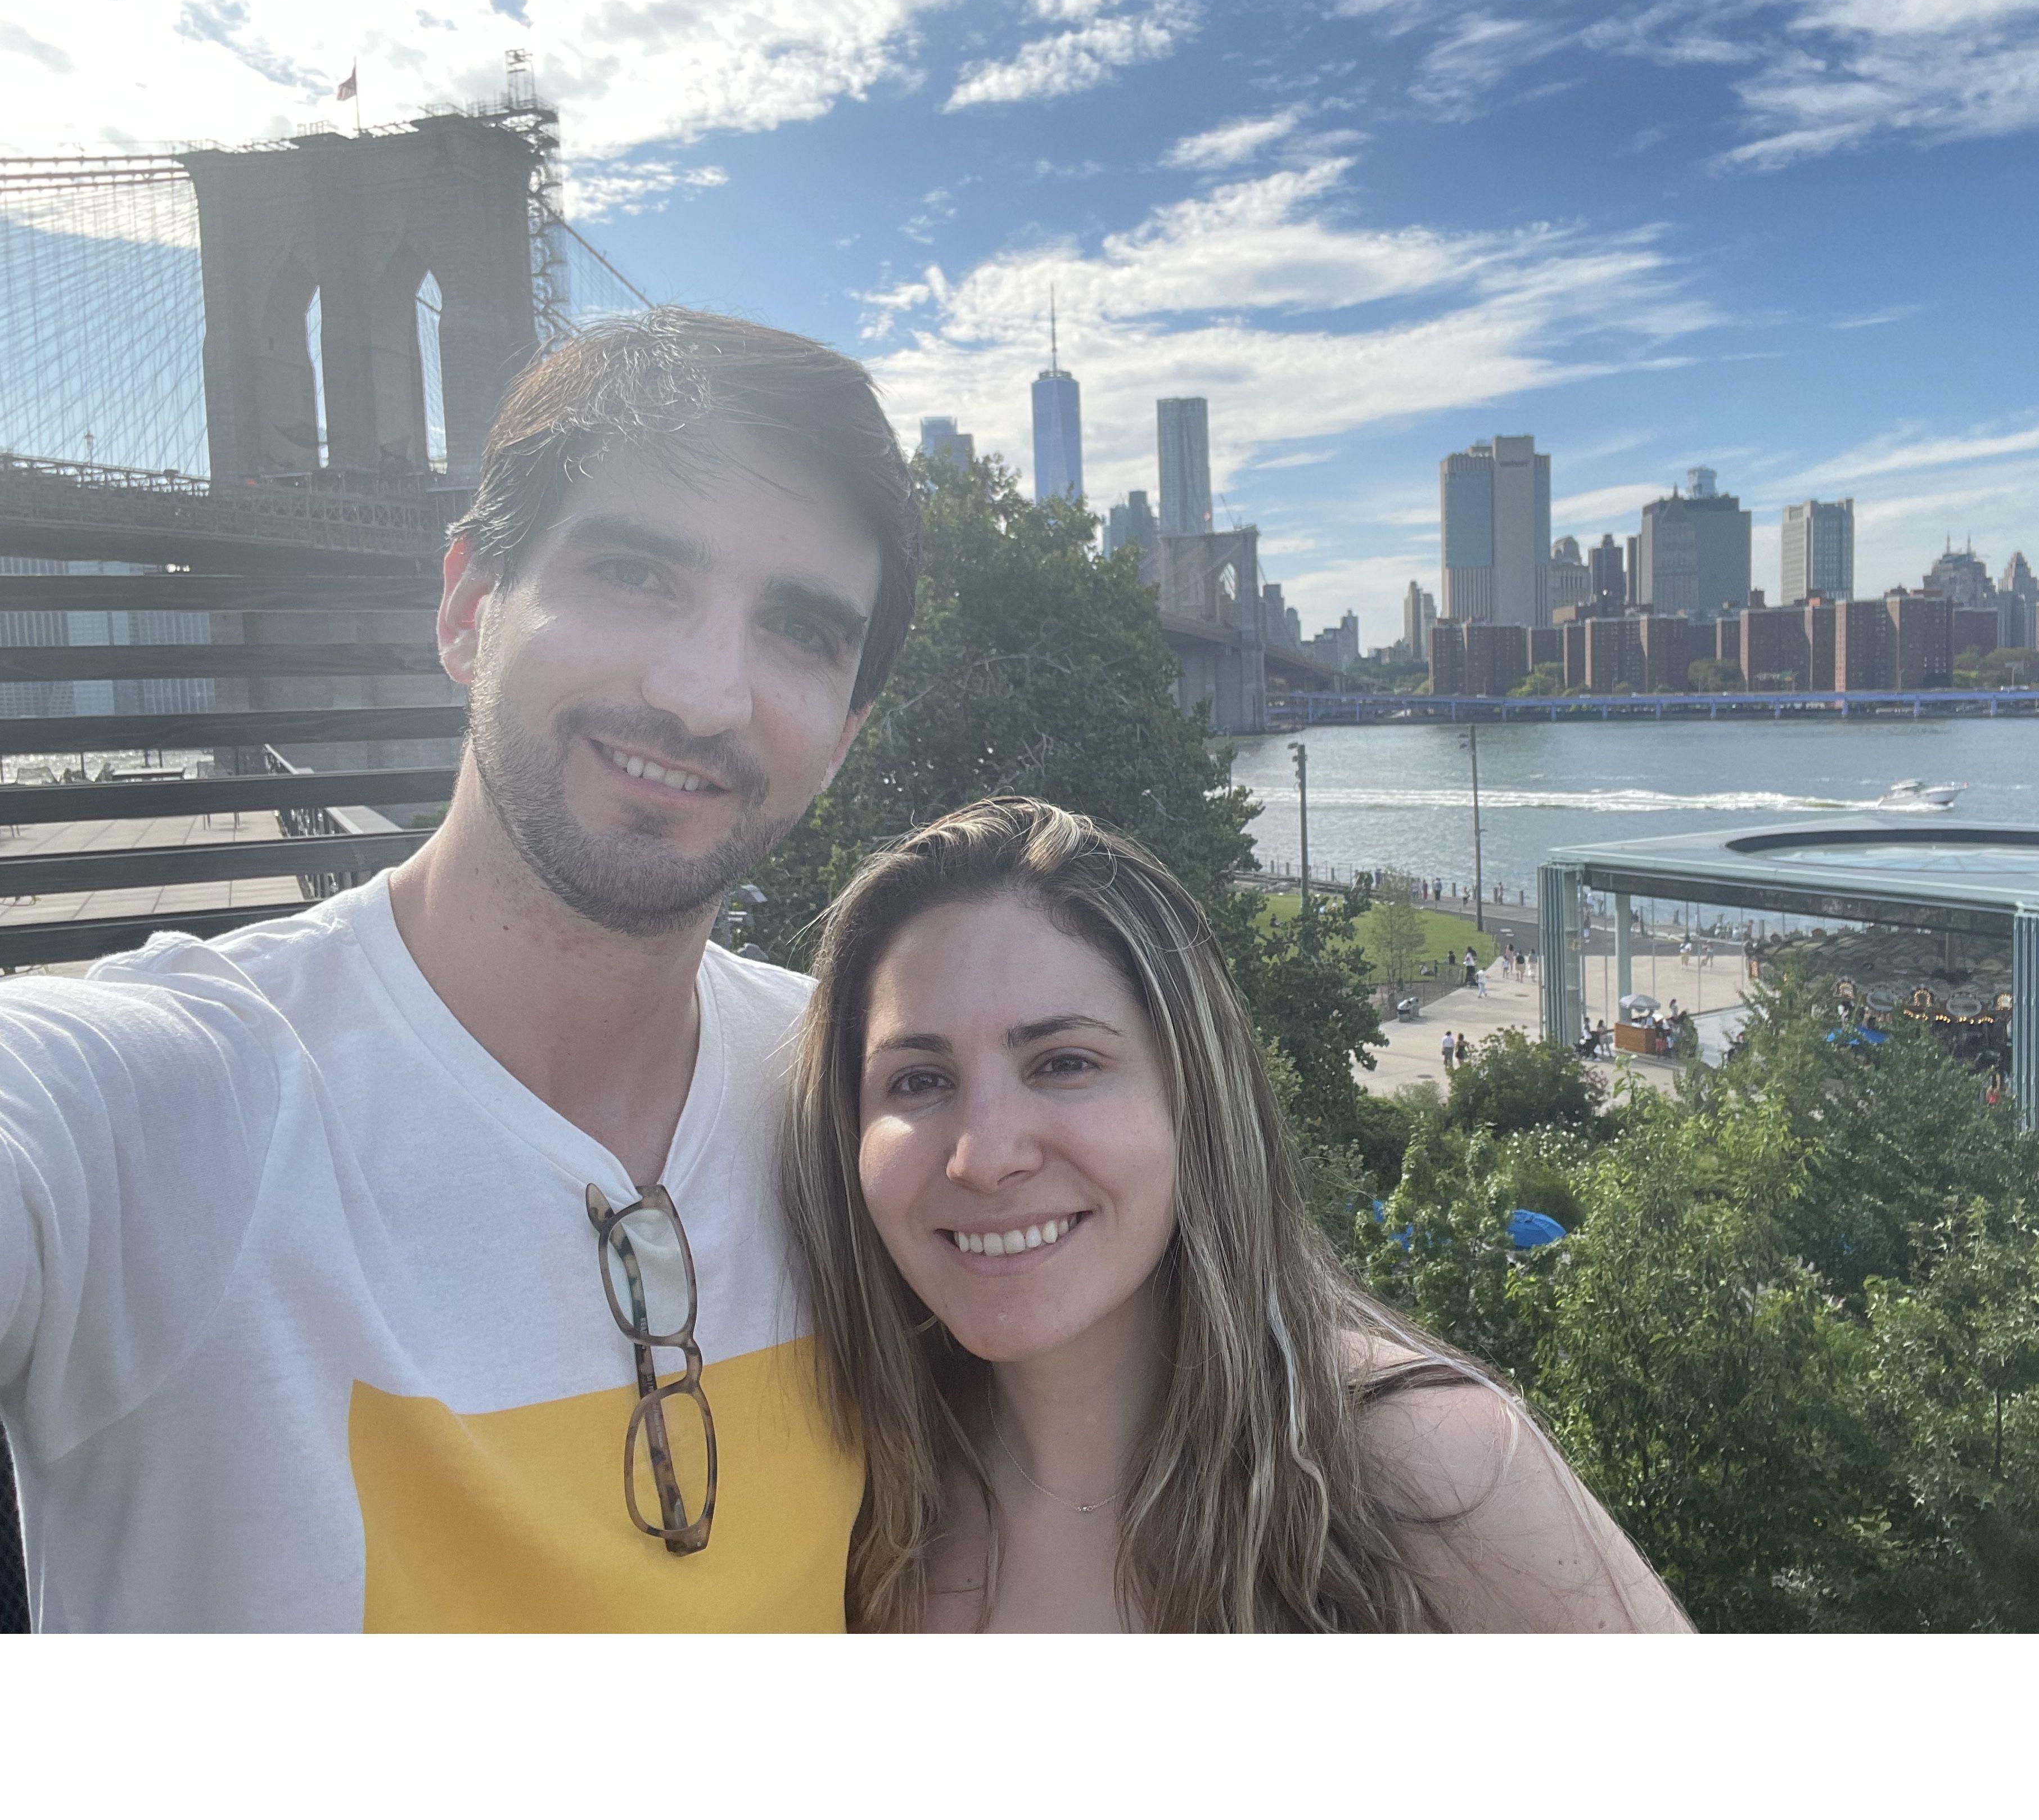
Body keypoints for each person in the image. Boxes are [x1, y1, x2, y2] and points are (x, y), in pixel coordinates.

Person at [0, 310, 919, 1631]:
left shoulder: (867, 1101)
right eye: (634, 573)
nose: (702, 694)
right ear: (468, 609)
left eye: (799, 631)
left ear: (843, 733)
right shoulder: (179, 1107)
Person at [782, 799, 1689, 1633]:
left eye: (1063, 1064)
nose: (984, 1157)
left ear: (1194, 1099)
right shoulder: (849, 1508)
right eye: (919, 1081)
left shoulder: (1434, 1473)